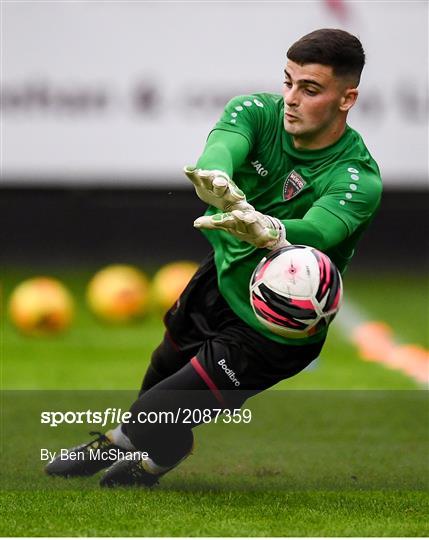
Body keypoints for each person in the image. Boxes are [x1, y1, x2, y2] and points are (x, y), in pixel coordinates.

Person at [46, 28, 382, 487]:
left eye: (310, 89)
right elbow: (224, 145)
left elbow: (322, 229)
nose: (291, 99)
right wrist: (215, 175)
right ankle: (144, 441)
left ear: (347, 99)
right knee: (160, 372)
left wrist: (273, 230)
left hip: (274, 328)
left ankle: (145, 451)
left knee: (155, 414)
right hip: (220, 281)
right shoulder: (256, 112)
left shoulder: (356, 176)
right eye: (288, 82)